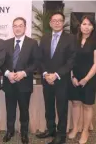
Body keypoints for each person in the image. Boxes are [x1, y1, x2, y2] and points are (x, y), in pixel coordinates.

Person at [36, 12, 76, 144]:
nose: (57, 23)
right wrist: (45, 74)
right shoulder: (45, 38)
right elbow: (40, 58)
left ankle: (61, 135)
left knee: (62, 108)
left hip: (61, 80)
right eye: (54, 20)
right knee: (49, 106)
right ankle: (51, 129)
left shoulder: (70, 38)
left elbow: (71, 60)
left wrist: (56, 75)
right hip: (46, 79)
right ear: (50, 23)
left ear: (63, 22)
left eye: (59, 20)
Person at [1, 17, 39, 144]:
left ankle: (24, 133)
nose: (17, 28)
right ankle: (9, 131)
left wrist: (24, 73)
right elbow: (1, 62)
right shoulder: (5, 43)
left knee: (24, 110)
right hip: (9, 82)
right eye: (15, 26)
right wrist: (7, 74)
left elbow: (36, 63)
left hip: (24, 83)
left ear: (25, 27)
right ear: (12, 28)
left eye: (20, 25)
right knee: (10, 109)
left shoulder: (32, 43)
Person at [68, 15, 96, 144]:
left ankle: (85, 131)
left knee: (87, 105)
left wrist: (85, 79)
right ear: (80, 25)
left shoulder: (94, 40)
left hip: (89, 78)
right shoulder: (74, 40)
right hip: (75, 77)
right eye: (84, 24)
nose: (86, 27)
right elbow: (71, 60)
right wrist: (73, 76)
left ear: (93, 27)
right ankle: (75, 128)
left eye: (89, 24)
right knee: (75, 103)